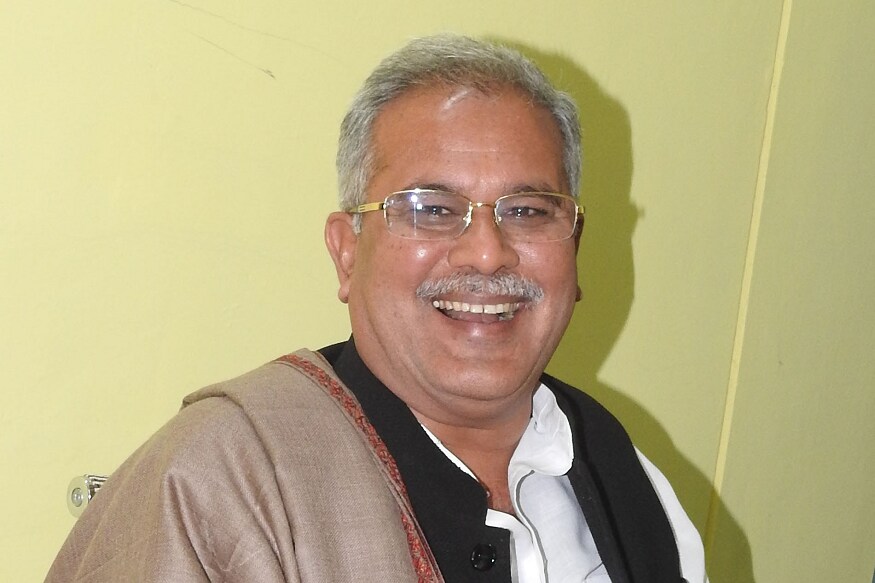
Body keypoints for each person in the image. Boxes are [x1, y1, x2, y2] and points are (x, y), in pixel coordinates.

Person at [47, 34, 707, 583]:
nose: (486, 253)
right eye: (432, 209)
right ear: (346, 253)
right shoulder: (223, 482)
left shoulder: (622, 474)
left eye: (529, 211)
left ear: (574, 247)